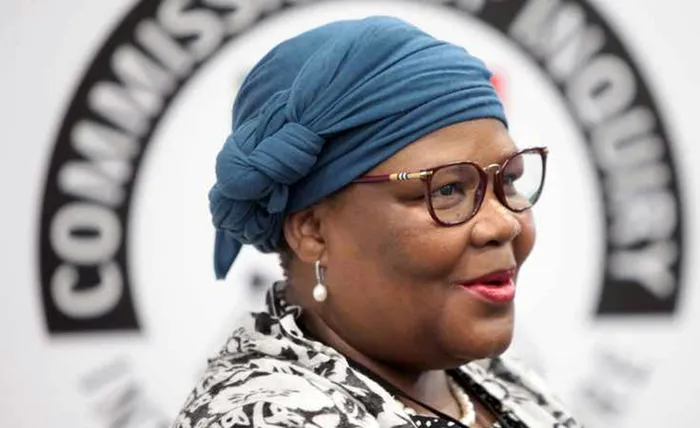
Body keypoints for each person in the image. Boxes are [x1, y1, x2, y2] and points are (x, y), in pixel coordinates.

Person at [174, 16, 579, 428]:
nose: (504, 224)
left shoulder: (500, 382)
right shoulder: (264, 417)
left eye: (508, 180)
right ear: (312, 229)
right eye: (447, 189)